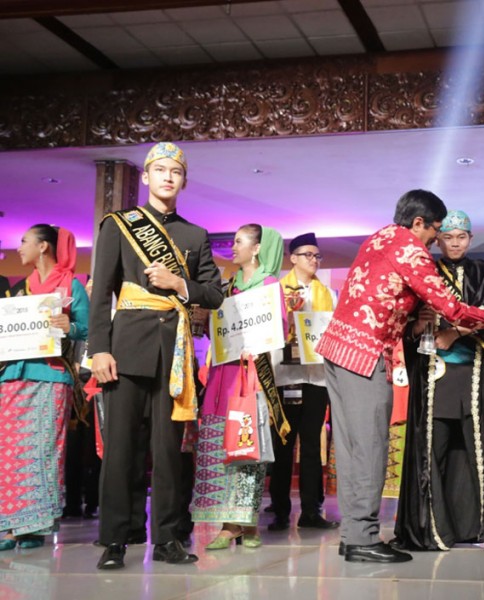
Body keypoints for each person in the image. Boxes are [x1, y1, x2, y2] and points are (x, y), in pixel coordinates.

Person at [315, 190, 484, 564]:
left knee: (351, 448)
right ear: (418, 222)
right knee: (370, 447)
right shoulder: (410, 248)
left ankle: (353, 534)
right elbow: (450, 307)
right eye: (436, 230)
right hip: (364, 353)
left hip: (337, 348)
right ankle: (363, 538)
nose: (436, 240)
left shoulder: (380, 236)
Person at [90, 142, 224, 570]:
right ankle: (115, 539)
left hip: (174, 355)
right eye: (160, 170)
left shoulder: (195, 235)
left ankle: (167, 538)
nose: (168, 177)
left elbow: (214, 294)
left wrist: (179, 283)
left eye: (176, 172)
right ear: (146, 177)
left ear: (184, 181)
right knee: (120, 449)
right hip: (126, 348)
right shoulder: (118, 225)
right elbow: (100, 294)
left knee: (168, 450)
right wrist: (98, 349)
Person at [394, 210, 484, 551]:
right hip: (435, 380)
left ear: (470, 238)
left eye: (461, 237)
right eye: (448, 237)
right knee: (433, 452)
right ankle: (429, 529)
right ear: (437, 239)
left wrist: (453, 332)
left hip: (477, 378)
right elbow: (405, 329)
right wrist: (420, 325)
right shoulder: (424, 272)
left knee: (479, 452)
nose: (455, 243)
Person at [192, 224, 284, 549]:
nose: (233, 247)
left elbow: (279, 326)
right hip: (224, 375)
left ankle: (243, 523)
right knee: (224, 447)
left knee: (246, 449)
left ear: (256, 248)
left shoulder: (269, 285)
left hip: (251, 377)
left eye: (239, 242)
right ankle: (233, 524)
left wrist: (258, 343)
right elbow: (221, 328)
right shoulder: (229, 286)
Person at [0, 225, 89, 550]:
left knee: (43, 451)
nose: (19, 247)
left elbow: (88, 328)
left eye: (24, 241)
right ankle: (11, 526)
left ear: (43, 247)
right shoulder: (19, 289)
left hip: (51, 376)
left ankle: (35, 527)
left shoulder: (71, 286)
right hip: (13, 377)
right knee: (10, 453)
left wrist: (71, 326)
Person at [268, 232, 339, 532]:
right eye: (307, 255)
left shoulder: (329, 294)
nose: (314, 260)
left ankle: (311, 510)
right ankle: (280, 510)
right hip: (285, 376)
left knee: (311, 445)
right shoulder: (276, 291)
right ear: (293, 257)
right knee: (283, 444)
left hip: (316, 378)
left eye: (317, 255)